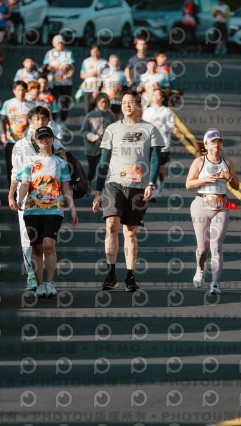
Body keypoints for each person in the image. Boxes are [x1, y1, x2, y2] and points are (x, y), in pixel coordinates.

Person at [92, 90, 165, 292]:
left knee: (130, 232)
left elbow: (155, 159)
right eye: (124, 102)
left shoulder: (151, 129)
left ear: (139, 105)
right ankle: (110, 274)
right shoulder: (112, 129)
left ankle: (130, 276)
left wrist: (151, 184)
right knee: (111, 225)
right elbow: (103, 161)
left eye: (131, 102)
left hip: (138, 186)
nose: (127, 105)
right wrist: (97, 191)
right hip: (113, 183)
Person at [9, 106, 66, 291]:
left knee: (48, 241)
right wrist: (12, 194)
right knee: (29, 239)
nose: (40, 122)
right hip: (28, 199)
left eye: (44, 119)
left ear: (49, 121)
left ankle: (48, 281)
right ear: (30, 122)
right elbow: (16, 172)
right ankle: (32, 277)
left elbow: (64, 170)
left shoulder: (56, 144)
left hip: (51, 200)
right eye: (36, 119)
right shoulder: (20, 145)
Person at [17, 126, 78, 297]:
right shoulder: (30, 162)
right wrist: (20, 198)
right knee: (37, 248)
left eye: (47, 137)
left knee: (48, 245)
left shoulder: (60, 163)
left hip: (54, 210)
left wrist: (73, 210)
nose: (44, 140)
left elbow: (66, 188)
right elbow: (25, 183)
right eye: (41, 138)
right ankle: (40, 285)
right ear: (36, 142)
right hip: (32, 210)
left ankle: (50, 284)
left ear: (53, 140)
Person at [185, 129, 239, 295]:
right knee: (203, 247)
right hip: (200, 205)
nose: (216, 144)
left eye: (219, 141)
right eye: (213, 141)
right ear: (206, 144)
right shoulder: (200, 162)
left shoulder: (227, 163)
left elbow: (236, 185)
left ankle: (215, 283)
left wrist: (228, 177)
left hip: (221, 206)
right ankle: (200, 269)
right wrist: (205, 180)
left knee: (217, 246)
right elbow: (188, 184)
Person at [0, 80, 36, 187]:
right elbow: (2, 119)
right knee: (11, 168)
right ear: (14, 91)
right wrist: (2, 134)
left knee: (26, 167)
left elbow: (35, 123)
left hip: (26, 142)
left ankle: (25, 190)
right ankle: (13, 191)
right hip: (11, 141)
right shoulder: (8, 104)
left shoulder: (31, 105)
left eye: (23, 90)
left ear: (26, 91)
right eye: (18, 90)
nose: (21, 92)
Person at [142, 89, 174, 201]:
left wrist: (162, 125)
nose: (156, 97)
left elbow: (171, 127)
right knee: (151, 167)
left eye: (158, 95)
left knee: (160, 168)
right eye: (154, 95)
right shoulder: (147, 111)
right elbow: (142, 126)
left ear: (162, 98)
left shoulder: (166, 111)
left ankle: (160, 184)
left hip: (163, 144)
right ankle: (152, 190)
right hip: (149, 143)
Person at [80, 93, 116, 189]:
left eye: (106, 102)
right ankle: (88, 183)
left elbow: (115, 130)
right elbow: (83, 131)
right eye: (102, 102)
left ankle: (102, 189)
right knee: (92, 170)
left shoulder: (111, 116)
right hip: (92, 148)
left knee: (104, 169)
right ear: (97, 103)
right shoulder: (90, 115)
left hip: (105, 148)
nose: (104, 105)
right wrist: (91, 136)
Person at [43, 35, 76, 123]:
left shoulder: (68, 53)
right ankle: (52, 121)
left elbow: (73, 67)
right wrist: (51, 68)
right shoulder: (50, 53)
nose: (60, 45)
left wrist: (69, 70)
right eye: (58, 43)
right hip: (53, 83)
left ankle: (63, 121)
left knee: (65, 102)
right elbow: (44, 67)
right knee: (53, 103)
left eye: (62, 43)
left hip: (66, 83)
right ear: (53, 44)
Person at [79, 44, 108, 114]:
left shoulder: (104, 62)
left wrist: (100, 74)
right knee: (88, 109)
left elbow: (107, 76)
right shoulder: (86, 61)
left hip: (100, 88)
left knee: (100, 108)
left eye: (97, 51)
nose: (95, 53)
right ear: (90, 52)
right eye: (93, 51)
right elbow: (82, 75)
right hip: (88, 88)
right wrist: (91, 74)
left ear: (100, 52)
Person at [100, 54, 127, 120]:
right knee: (105, 119)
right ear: (109, 63)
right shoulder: (104, 73)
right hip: (106, 101)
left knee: (116, 119)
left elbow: (126, 89)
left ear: (119, 63)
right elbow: (100, 86)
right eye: (113, 61)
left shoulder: (123, 74)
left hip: (117, 101)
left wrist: (121, 88)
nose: (115, 63)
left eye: (117, 61)